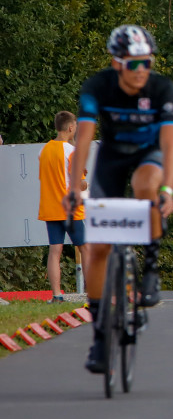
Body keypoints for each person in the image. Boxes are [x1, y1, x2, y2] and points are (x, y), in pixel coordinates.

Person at [64, 24, 173, 373]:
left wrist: (169, 190)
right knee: (98, 247)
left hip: (149, 156)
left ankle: (152, 268)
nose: (142, 71)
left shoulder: (162, 89)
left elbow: (172, 145)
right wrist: (74, 188)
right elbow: (83, 140)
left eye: (147, 62)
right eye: (134, 64)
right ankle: (100, 338)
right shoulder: (98, 86)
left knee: (148, 182)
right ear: (117, 64)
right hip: (112, 160)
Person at [38, 111, 88, 303]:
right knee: (85, 249)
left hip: (51, 209)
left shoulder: (44, 150)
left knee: (54, 252)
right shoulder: (72, 152)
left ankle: (56, 295)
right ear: (70, 128)